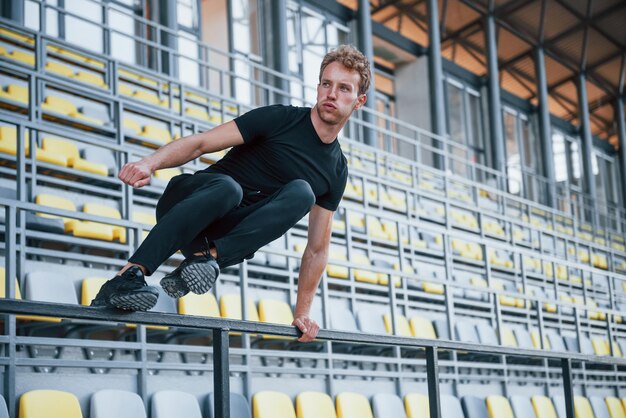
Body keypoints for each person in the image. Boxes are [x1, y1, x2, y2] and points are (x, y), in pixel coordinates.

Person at [91, 44, 371, 343]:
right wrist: (150, 163)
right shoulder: (279, 119)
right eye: (326, 84)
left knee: (303, 192)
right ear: (318, 88)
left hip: (220, 237)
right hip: (190, 203)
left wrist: (302, 311)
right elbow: (201, 143)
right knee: (228, 188)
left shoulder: (336, 170)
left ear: (358, 101)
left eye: (344, 88)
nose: (331, 94)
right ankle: (126, 277)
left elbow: (317, 248)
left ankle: (204, 261)